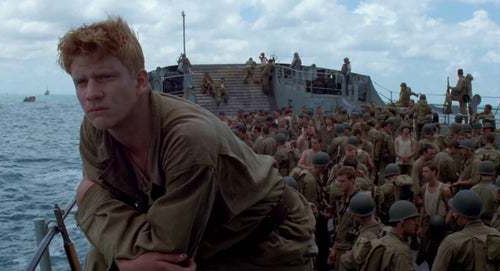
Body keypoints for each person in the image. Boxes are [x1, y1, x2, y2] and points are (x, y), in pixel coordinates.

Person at [61, 17, 316, 271]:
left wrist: (89, 200)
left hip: (266, 242)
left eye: (105, 77)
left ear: (140, 82)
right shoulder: (96, 128)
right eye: (80, 82)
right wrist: (126, 259)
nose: (91, 94)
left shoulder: (187, 138)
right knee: (99, 260)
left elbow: (167, 250)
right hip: (207, 237)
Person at [432, 190, 500, 271]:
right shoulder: (496, 235)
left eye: (454, 211)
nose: (453, 214)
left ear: (458, 215)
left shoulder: (451, 242)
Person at [360, 200, 419, 271]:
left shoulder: (383, 238)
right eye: (413, 220)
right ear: (402, 222)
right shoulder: (401, 252)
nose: (416, 223)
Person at [340, 193, 384, 271]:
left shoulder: (366, 237)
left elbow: (352, 262)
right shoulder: (381, 227)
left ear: (358, 216)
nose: (352, 216)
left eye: (353, 214)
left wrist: (347, 255)